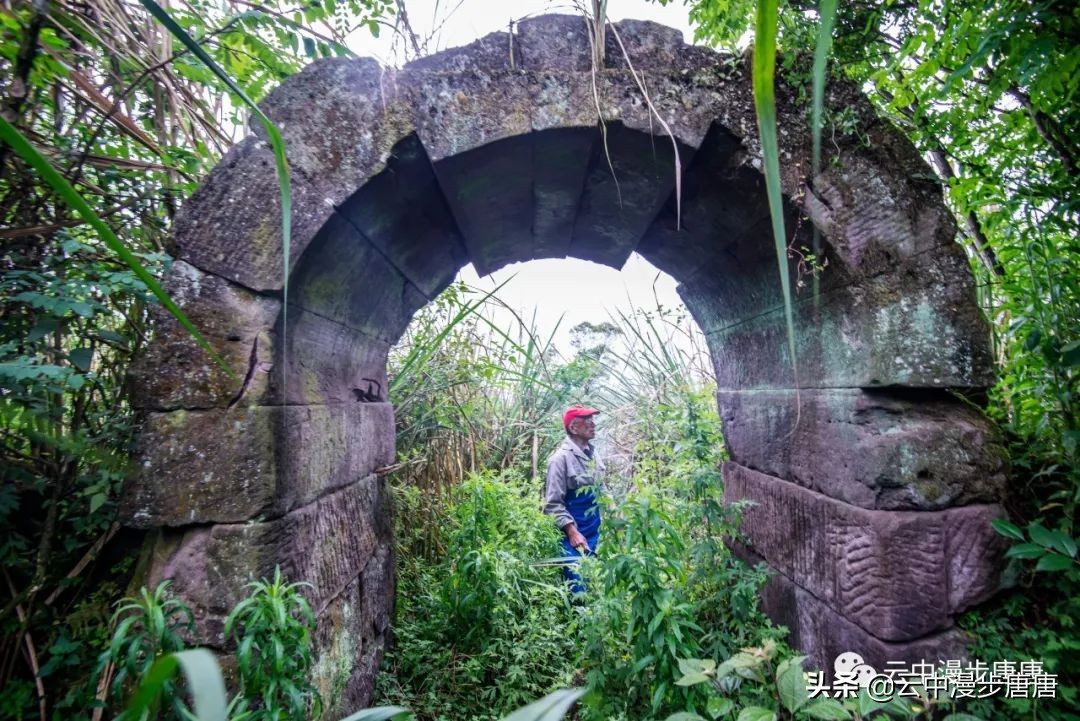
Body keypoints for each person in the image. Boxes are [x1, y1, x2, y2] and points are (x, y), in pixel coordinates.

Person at [543, 405, 605, 593]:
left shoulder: (594, 454)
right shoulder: (559, 460)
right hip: (573, 535)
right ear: (573, 428)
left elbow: (602, 489)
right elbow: (553, 504)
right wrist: (572, 532)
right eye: (588, 421)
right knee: (578, 587)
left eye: (593, 420)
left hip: (597, 530)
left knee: (599, 584)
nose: (593, 425)